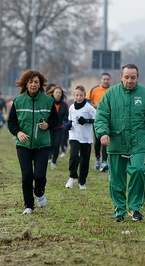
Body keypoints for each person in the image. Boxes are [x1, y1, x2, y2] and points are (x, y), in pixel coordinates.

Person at [94, 64, 145, 222]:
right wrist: (103, 133)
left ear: (137, 78)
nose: (129, 81)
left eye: (133, 77)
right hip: (117, 141)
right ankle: (120, 210)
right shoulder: (111, 93)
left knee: (138, 170)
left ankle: (135, 207)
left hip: (138, 142)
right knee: (117, 177)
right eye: (126, 77)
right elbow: (101, 115)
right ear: (121, 77)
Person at [7, 69, 59, 215]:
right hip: (23, 144)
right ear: (26, 83)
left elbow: (56, 120)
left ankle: (40, 192)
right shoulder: (18, 101)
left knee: (39, 176)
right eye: (30, 82)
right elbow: (11, 123)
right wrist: (19, 132)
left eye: (36, 82)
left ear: (40, 84)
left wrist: (48, 125)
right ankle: (29, 206)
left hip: (42, 144)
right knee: (27, 175)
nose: (33, 85)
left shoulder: (48, 101)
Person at [65, 86, 96, 190]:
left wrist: (86, 121)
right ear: (74, 95)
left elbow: (97, 119)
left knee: (84, 160)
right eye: (77, 95)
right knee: (73, 156)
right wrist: (68, 125)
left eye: (81, 95)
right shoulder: (71, 107)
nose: (79, 97)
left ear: (84, 96)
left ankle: (82, 182)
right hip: (74, 135)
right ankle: (72, 176)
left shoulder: (89, 108)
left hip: (86, 137)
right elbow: (70, 119)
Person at [86, 73, 111, 171]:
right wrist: (96, 106)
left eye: (107, 79)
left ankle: (105, 161)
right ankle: (97, 158)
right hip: (97, 118)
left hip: (109, 118)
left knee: (106, 139)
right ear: (101, 80)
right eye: (104, 79)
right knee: (97, 141)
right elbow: (87, 103)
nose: (106, 81)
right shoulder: (94, 90)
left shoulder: (112, 90)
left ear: (110, 80)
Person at [46, 84, 69, 170]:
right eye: (56, 92)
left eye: (59, 92)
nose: (58, 94)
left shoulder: (64, 105)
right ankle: (49, 157)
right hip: (50, 127)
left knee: (56, 145)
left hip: (59, 127)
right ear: (53, 93)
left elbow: (67, 116)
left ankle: (54, 162)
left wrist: (64, 119)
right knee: (50, 144)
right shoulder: (49, 103)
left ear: (61, 94)